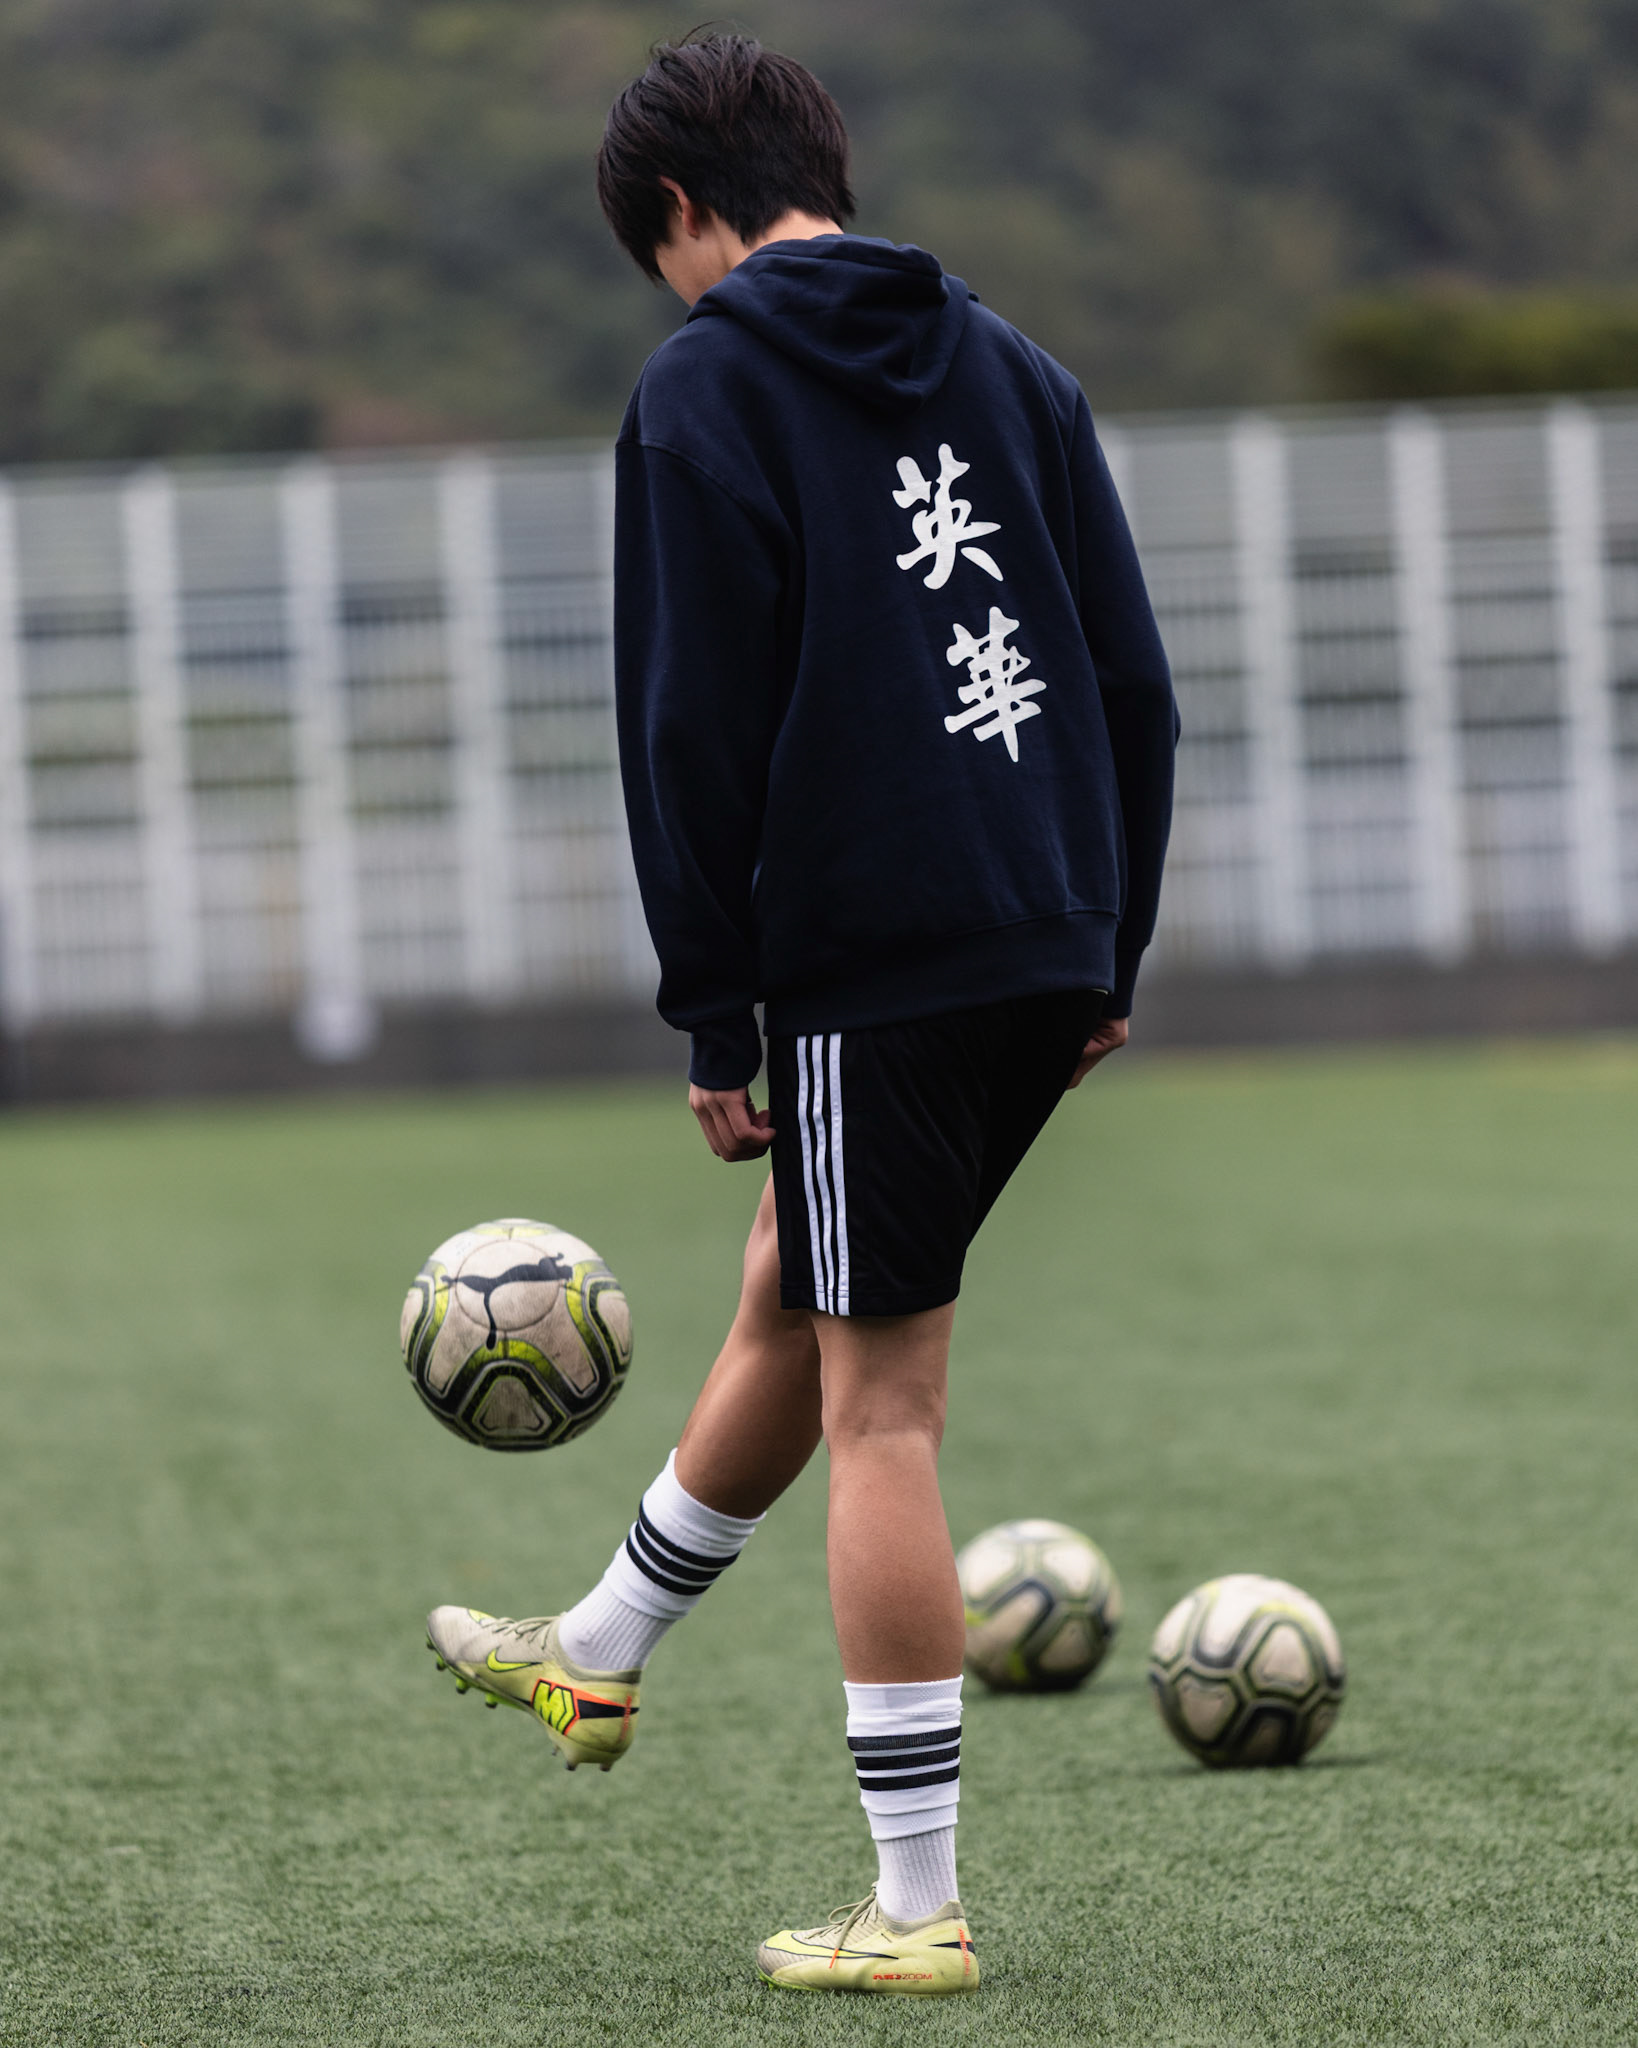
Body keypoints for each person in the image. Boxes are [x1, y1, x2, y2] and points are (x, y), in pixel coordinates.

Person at [426, 31, 1176, 1997]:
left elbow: (690, 731)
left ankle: (915, 1906)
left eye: (650, 252)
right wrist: (1113, 945)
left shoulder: (704, 390)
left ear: (683, 212)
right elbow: (1132, 682)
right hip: (1040, 939)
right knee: (797, 1283)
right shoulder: (1013, 362)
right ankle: (595, 1652)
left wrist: (713, 1018)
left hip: (880, 962)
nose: (661, 291)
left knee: (886, 1407)